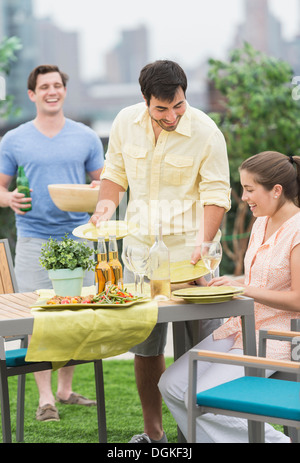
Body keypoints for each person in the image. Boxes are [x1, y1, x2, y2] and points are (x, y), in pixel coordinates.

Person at [90, 60, 231, 443]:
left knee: (201, 353)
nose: (171, 116)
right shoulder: (124, 122)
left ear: (186, 94)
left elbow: (217, 193)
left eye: (179, 106)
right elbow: (114, 173)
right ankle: (154, 434)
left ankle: (200, 434)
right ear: (145, 100)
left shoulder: (206, 131)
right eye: (162, 108)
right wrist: (105, 205)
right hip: (139, 258)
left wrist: (203, 243)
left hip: (191, 259)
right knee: (146, 347)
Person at [159, 151, 300, 443]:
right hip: (242, 325)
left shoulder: (297, 231)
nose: (244, 197)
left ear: (276, 190)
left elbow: (298, 299)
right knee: (171, 384)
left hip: (278, 336)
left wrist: (242, 289)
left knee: (205, 399)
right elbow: (259, 280)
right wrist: (220, 281)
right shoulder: (261, 222)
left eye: (250, 189)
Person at [0, 65, 104, 422]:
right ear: (32, 94)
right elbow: (0, 188)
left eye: (57, 85)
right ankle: (46, 399)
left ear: (64, 91)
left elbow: (103, 186)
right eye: (44, 86)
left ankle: (65, 388)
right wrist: (9, 198)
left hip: (79, 236)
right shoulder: (14, 139)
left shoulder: (86, 136)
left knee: (75, 316)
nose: (51, 91)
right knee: (37, 319)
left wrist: (96, 193)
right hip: (33, 238)